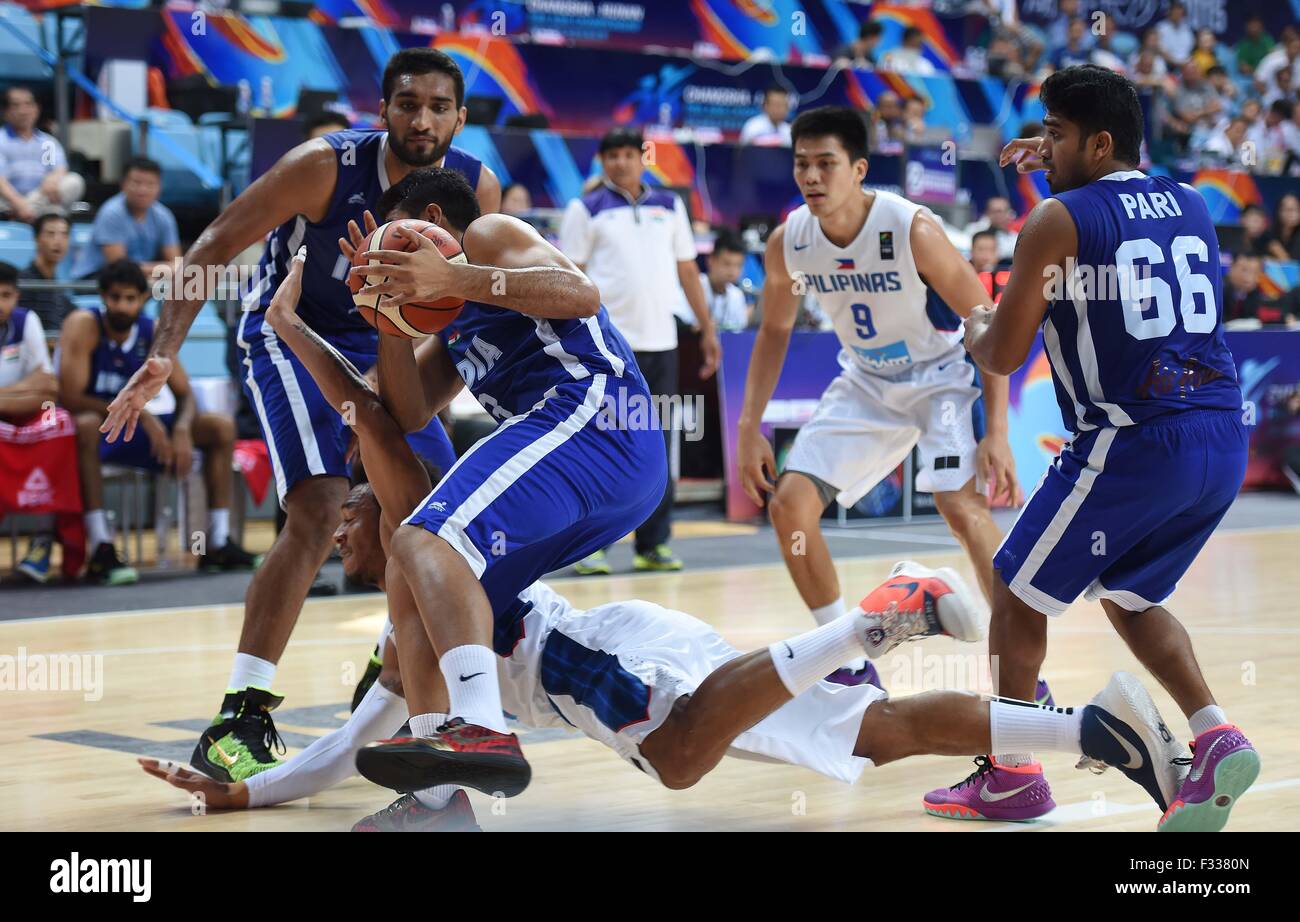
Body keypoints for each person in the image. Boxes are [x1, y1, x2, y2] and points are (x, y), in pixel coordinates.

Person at [140, 253, 1185, 830]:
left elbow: (378, 428)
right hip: (640, 648)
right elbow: (337, 756)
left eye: (353, 525)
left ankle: (875, 618)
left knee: (683, 763)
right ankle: (1096, 732)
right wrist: (241, 791)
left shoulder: (438, 553)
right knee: (872, 735)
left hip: (603, 667)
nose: (347, 540)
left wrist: (300, 335)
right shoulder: (405, 640)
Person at [97, 48, 494, 785]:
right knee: (317, 505)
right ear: (382, 112)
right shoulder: (324, 165)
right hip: (291, 329)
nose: (423, 119)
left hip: (392, 345)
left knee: (435, 511)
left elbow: (471, 297)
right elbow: (215, 243)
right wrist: (163, 353)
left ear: (461, 118)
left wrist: (409, 368)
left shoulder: (476, 187)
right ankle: (239, 716)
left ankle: (388, 676)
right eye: (408, 103)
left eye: (440, 106)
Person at [949, 65, 1258, 832]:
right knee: (1130, 593)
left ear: (1100, 140)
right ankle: (1215, 733)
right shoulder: (1190, 201)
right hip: (1220, 436)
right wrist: (1055, 160)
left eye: (1056, 133)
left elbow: (1005, 353)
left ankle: (1011, 774)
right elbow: (1114, 231)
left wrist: (976, 325)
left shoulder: (1058, 218)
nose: (1045, 146)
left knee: (1016, 591)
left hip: (1134, 437)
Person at [330, 164, 670, 800]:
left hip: (595, 418)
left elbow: (581, 295)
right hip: (591, 467)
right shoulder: (454, 321)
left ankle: (482, 728)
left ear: (431, 223)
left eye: (394, 245)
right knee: (416, 566)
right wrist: (388, 319)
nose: (394, 264)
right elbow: (407, 413)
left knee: (428, 537)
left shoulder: (488, 234)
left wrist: (450, 273)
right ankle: (436, 796)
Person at [736, 106, 1029, 696]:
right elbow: (773, 333)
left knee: (961, 508)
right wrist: (748, 425)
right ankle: (846, 660)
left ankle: (1023, 675)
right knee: (789, 508)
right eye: (802, 165)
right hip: (866, 382)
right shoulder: (788, 242)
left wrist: (997, 429)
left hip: (941, 374)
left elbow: (985, 321)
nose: (812, 177)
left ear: (859, 168)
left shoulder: (910, 227)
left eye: (826, 164)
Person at [558, 126, 721, 575]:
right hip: (607, 347)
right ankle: (590, 546)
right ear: (603, 161)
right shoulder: (585, 209)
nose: (620, 163)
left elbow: (688, 271)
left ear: (641, 158)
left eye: (628, 154)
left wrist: (707, 330)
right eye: (611, 156)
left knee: (658, 445)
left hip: (662, 344)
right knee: (602, 441)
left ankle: (654, 544)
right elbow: (571, 277)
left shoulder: (669, 206)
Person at [56, 260, 255, 585]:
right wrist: (145, 416)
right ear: (103, 297)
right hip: (102, 435)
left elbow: (186, 395)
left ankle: (217, 542)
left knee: (219, 427)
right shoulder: (84, 324)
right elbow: (70, 396)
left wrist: (179, 429)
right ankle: (101, 548)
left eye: (130, 298)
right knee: (87, 423)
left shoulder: (151, 332)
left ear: (143, 299)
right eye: (115, 297)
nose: (122, 306)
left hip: (140, 433)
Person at [0, 260, 59, 583]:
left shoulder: (26, 321)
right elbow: (36, 381)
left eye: (6, 295)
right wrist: (24, 388)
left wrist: (6, 395)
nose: (0, 304)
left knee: (58, 421)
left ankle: (42, 542)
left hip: (24, 414)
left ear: (17, 296)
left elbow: (48, 384)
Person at [69, 157, 182, 280]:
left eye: (150, 184)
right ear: (123, 184)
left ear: (159, 188)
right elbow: (119, 268)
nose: (143, 190)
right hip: (95, 278)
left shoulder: (164, 215)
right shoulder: (111, 213)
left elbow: (177, 264)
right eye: (137, 183)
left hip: (138, 279)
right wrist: (163, 269)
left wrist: (159, 271)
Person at [0, 86, 85, 223]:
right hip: (7, 201)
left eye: (28, 104)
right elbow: (1, 182)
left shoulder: (47, 143)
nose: (23, 111)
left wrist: (52, 179)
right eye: (16, 105)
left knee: (73, 181)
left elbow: (58, 169)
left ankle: (23, 216)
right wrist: (19, 204)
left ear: (36, 109)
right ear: (6, 112)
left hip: (40, 197)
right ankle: (31, 215)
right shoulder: (1, 140)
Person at [17, 212, 75, 334]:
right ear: (36, 239)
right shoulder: (24, 284)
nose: (58, 241)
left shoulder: (58, 288)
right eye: (51, 234)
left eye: (64, 235)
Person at [700, 229, 750, 331]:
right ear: (711, 260)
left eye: (738, 265)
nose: (732, 271)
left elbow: (740, 332)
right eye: (727, 264)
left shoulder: (737, 295)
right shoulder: (694, 286)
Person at [964, 196, 1018, 261]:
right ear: (987, 213)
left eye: (1001, 211)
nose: (998, 215)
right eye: (994, 211)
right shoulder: (974, 231)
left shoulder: (1015, 239)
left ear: (1009, 213)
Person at [1154, 1, 1195, 68]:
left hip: (1185, 63)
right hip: (1166, 62)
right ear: (1169, 13)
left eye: (1180, 13)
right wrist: (1175, 62)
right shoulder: (1160, 27)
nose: (1178, 15)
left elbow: (1190, 48)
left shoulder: (1187, 29)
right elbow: (1159, 49)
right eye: (1175, 13)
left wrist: (1185, 62)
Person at [1268, 193, 1300, 262]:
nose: (1290, 213)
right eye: (1286, 209)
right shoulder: (1269, 234)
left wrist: (1281, 254)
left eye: (1295, 209)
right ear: (1279, 212)